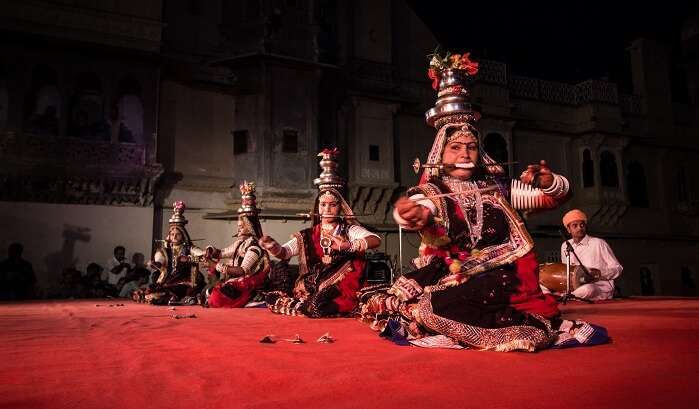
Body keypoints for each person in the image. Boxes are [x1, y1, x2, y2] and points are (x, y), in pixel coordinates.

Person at [359, 52, 596, 351]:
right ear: (440, 155)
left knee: (439, 307)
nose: (465, 153)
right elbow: (421, 207)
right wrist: (412, 214)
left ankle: (519, 329)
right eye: (456, 147)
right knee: (392, 298)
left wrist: (550, 183)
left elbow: (554, 198)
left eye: (471, 147)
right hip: (450, 269)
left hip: (500, 271)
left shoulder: (497, 187)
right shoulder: (435, 189)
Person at [259, 148, 381, 317]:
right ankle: (306, 305)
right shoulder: (307, 235)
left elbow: (375, 239)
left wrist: (348, 245)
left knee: (317, 306)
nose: (327, 209)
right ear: (317, 206)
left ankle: (307, 306)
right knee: (274, 298)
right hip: (310, 288)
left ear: (341, 207)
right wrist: (272, 246)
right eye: (323, 205)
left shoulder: (348, 230)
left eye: (332, 205)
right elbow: (285, 253)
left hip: (339, 288)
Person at [205, 181, 271, 308]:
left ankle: (252, 298)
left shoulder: (254, 247)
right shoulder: (240, 243)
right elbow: (221, 252)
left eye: (242, 225)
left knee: (215, 297)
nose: (238, 227)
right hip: (235, 282)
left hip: (247, 284)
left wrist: (215, 265)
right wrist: (211, 250)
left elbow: (242, 271)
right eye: (238, 225)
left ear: (250, 227)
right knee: (208, 293)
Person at [134, 201, 206, 305]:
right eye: (172, 234)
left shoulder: (190, 248)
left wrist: (189, 259)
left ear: (183, 235)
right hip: (168, 279)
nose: (174, 237)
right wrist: (155, 264)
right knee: (156, 287)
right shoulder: (165, 250)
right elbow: (160, 262)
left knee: (177, 290)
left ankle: (176, 298)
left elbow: (202, 257)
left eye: (177, 234)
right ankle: (165, 297)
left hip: (185, 280)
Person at [551, 209, 623, 301]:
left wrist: (599, 274)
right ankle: (568, 295)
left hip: (598, 287)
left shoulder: (598, 243)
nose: (579, 228)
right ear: (568, 229)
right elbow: (567, 272)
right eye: (575, 226)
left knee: (587, 289)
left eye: (582, 225)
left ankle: (565, 297)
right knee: (543, 286)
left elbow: (618, 268)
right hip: (575, 287)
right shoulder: (565, 245)